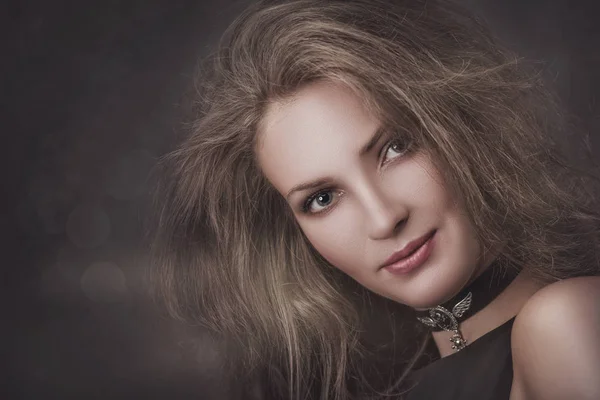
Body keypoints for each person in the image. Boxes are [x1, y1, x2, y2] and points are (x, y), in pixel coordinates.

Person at [147, 0, 600, 399]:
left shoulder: (567, 323)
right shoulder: (417, 376)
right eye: (323, 198)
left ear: (462, 128)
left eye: (395, 148)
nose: (384, 219)